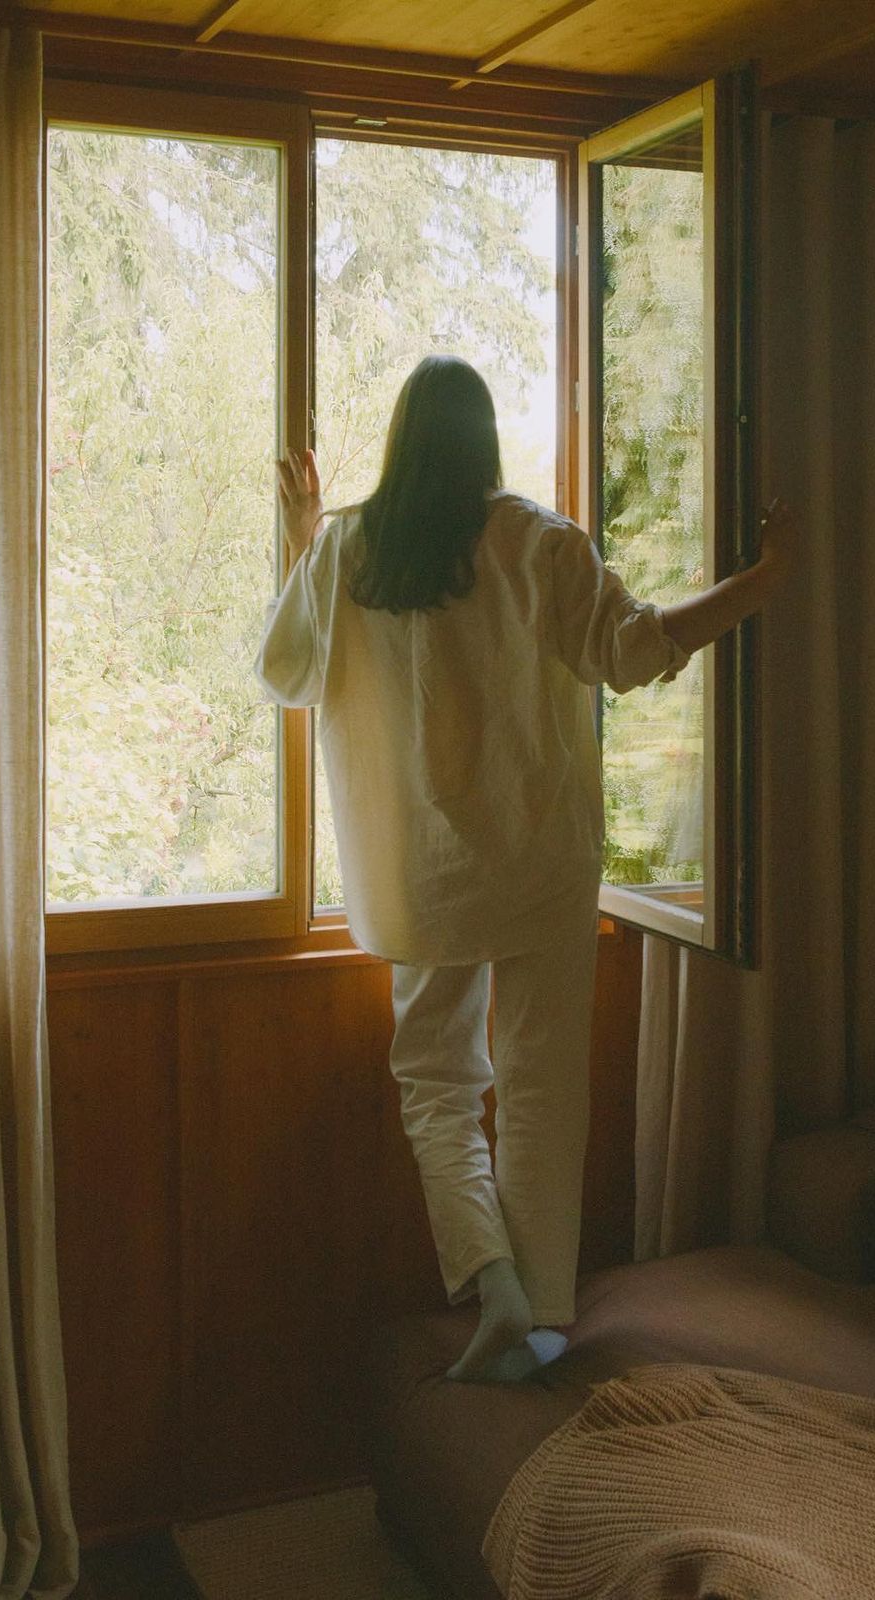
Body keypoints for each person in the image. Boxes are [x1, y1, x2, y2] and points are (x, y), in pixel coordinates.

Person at [256, 355, 796, 1382]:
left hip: (419, 880)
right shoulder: (536, 542)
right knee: (544, 1089)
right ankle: (541, 1316)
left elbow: (288, 669)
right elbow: (638, 651)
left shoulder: (351, 554)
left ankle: (491, 1282)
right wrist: (759, 583)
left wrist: (305, 540)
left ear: (401, 443)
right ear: (484, 440)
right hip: (536, 865)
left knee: (436, 1089)